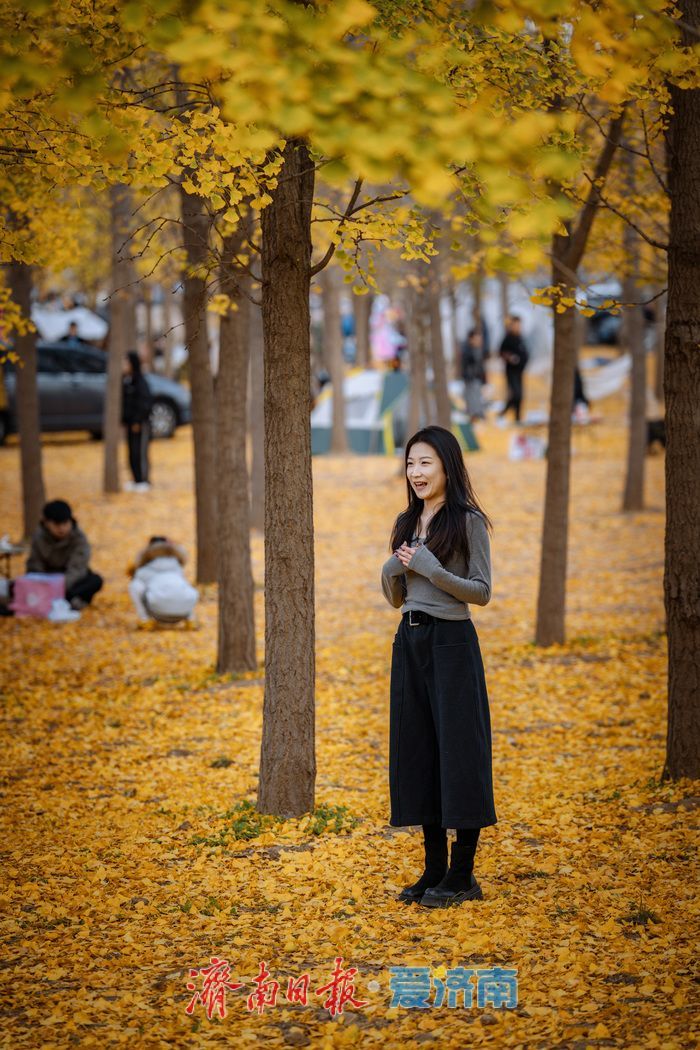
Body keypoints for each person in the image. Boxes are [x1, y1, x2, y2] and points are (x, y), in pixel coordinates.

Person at [381, 426, 497, 909]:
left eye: (425, 462)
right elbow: (397, 597)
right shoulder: (407, 521)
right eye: (411, 463)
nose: (416, 472)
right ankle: (434, 869)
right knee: (420, 751)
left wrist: (430, 568)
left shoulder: (468, 522)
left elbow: (481, 592)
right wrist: (391, 570)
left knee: (460, 752)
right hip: (410, 641)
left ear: (448, 466)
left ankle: (462, 874)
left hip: (452, 644)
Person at [26, 499, 103, 610]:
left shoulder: (79, 538)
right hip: (47, 578)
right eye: (57, 524)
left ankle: (64, 598)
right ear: (47, 523)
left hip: (70, 581)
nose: (62, 528)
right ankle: (69, 600)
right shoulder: (39, 538)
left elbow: (77, 568)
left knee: (95, 581)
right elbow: (34, 565)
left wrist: (59, 587)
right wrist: (42, 584)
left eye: (65, 523)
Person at [127, 536, 198, 624]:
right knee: (181, 586)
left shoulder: (144, 570)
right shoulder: (177, 567)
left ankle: (145, 619)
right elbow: (183, 552)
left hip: (158, 612)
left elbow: (134, 576)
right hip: (184, 611)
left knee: (135, 585)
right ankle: (190, 619)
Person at [122, 350, 153, 491]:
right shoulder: (126, 380)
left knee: (140, 451)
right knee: (131, 452)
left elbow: (144, 403)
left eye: (126, 362)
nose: (124, 365)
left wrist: (137, 420)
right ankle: (135, 479)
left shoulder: (140, 382)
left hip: (140, 424)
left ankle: (143, 480)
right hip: (129, 423)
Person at [497, 315, 529, 424]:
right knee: (516, 394)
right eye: (515, 325)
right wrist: (510, 357)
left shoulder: (521, 338)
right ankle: (505, 412)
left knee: (520, 395)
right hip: (511, 371)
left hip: (520, 370)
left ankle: (517, 418)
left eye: (519, 325)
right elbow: (501, 352)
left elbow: (525, 353)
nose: (517, 327)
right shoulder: (508, 338)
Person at [460, 328, 485, 420]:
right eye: (476, 339)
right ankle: (474, 414)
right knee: (471, 396)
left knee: (477, 395)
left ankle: (478, 413)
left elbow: (480, 366)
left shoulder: (477, 350)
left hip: (476, 377)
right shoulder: (468, 350)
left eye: (479, 339)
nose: (479, 341)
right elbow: (467, 364)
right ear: (470, 339)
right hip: (470, 377)